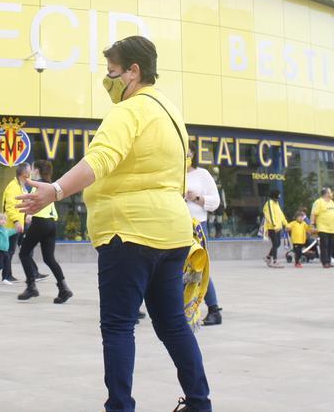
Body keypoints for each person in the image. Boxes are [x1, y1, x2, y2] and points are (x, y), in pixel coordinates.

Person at [18, 36, 210, 412]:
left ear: (133, 71)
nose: (109, 82)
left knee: (119, 326)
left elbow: (101, 159)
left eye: (112, 73)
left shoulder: (129, 111)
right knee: (172, 323)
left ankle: (119, 407)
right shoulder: (171, 113)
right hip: (172, 232)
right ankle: (200, 403)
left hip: (129, 231)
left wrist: (55, 190)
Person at [16, 160, 72, 303]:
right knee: (49, 258)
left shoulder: (38, 185)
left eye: (33, 169)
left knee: (24, 253)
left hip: (40, 222)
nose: (31, 172)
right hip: (51, 224)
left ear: (37, 171)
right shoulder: (49, 185)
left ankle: (31, 286)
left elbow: (34, 203)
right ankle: (63, 288)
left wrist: (29, 214)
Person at [185, 153, 220, 324]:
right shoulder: (173, 173)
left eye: (189, 153)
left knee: (199, 267)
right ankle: (183, 309)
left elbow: (215, 202)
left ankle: (214, 309)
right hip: (175, 226)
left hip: (197, 227)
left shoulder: (202, 174)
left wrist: (196, 198)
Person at [0, 164, 28, 284]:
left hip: (16, 225)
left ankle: (8, 275)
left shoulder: (19, 186)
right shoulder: (13, 187)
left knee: (10, 251)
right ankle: (5, 276)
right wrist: (17, 221)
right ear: (24, 174)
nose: (30, 175)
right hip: (12, 225)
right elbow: (10, 207)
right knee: (8, 252)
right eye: (29, 173)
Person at [311, 188, 334, 268]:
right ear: (326, 193)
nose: (331, 193)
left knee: (331, 245)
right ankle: (325, 262)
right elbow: (313, 214)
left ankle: (329, 261)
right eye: (330, 192)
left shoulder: (332, 202)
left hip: (332, 228)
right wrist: (312, 225)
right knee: (325, 245)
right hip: (323, 228)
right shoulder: (318, 202)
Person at [262, 191, 289, 268]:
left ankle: (268, 257)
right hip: (272, 228)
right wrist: (275, 226)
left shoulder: (276, 204)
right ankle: (275, 261)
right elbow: (270, 215)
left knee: (278, 244)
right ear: (274, 196)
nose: (278, 198)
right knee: (275, 244)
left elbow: (281, 215)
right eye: (278, 196)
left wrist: (286, 224)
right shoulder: (269, 203)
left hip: (278, 227)